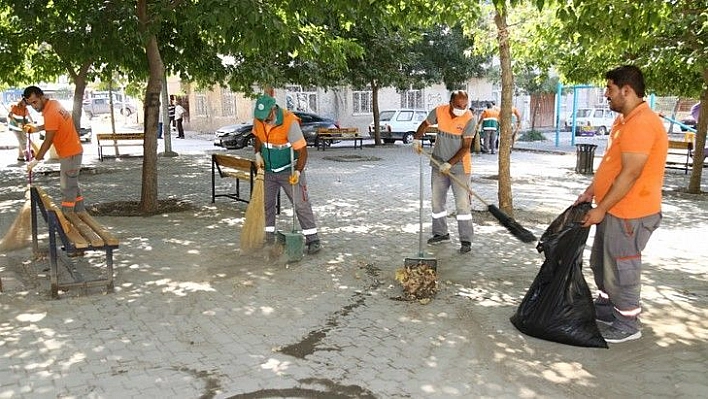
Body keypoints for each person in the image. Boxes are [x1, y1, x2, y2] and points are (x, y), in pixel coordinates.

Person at [574, 65, 667, 344]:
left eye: (610, 89)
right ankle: (606, 306)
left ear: (627, 91)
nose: (606, 94)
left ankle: (627, 322)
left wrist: (601, 209)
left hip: (631, 212)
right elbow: (611, 165)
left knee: (621, 267)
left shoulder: (642, 123)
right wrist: (591, 192)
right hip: (612, 207)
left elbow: (630, 173)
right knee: (601, 262)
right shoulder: (624, 120)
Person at [252, 94, 321, 254]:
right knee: (266, 204)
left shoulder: (290, 122)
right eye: (260, 118)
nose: (263, 121)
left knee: (301, 204)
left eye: (266, 117)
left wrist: (298, 171)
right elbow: (257, 137)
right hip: (268, 170)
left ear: (274, 110)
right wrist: (257, 153)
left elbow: (302, 151)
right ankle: (268, 236)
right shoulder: (259, 119)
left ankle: (313, 239)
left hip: (288, 169)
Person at [412, 90, 476, 254]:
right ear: (451, 103)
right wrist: (417, 139)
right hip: (438, 163)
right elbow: (424, 124)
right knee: (437, 201)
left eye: (465, 105)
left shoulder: (469, 118)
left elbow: (466, 148)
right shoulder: (439, 111)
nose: (461, 108)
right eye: (458, 105)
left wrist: (449, 164)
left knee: (462, 204)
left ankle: (466, 240)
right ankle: (441, 233)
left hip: (460, 167)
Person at [22, 86, 86, 213]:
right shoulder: (54, 104)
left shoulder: (50, 112)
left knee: (67, 188)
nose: (34, 106)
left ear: (42, 97)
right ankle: (80, 213)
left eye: (35, 102)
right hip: (72, 152)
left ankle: (66, 219)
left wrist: (36, 160)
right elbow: (54, 124)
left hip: (70, 154)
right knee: (72, 185)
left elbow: (48, 139)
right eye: (30, 104)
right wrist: (37, 129)